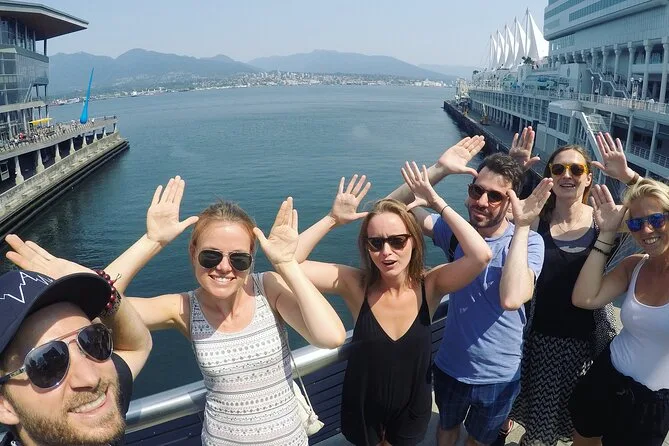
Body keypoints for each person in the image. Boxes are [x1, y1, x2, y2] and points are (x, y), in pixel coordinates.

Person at [103, 176, 346, 446]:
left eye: (239, 259)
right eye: (211, 256)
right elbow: (94, 304)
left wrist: (286, 264)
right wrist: (152, 241)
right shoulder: (182, 308)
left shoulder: (268, 289)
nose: (224, 267)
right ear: (192, 252)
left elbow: (331, 337)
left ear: (251, 259)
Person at [293, 166, 493, 445]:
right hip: (363, 407)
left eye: (397, 241)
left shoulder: (430, 284)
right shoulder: (356, 284)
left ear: (414, 242)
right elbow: (289, 262)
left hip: (412, 406)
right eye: (376, 243)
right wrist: (331, 220)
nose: (386, 252)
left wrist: (437, 202)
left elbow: (481, 256)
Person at [388, 139, 549, 446]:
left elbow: (511, 298)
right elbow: (389, 209)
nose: (482, 201)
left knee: (478, 440)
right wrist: (440, 169)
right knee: (446, 429)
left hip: (499, 374)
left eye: (495, 196)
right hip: (451, 365)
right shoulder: (454, 233)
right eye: (477, 190)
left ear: (511, 201)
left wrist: (523, 225)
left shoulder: (529, 242)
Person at [503, 129, 634, 446]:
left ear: (589, 178)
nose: (567, 175)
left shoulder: (605, 221)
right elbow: (490, 209)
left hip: (588, 343)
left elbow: (660, 214)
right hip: (539, 341)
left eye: (576, 169)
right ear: (548, 176)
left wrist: (629, 177)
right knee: (539, 425)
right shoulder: (534, 219)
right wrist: (512, 169)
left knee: (583, 425)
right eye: (558, 168)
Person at [0, 235, 152, 446]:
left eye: (93, 341)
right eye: (48, 363)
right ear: (4, 405)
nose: (91, 378)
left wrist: (108, 293)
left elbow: (136, 346)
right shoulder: (89, 410)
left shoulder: (97, 405)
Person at [570, 179, 669, 446]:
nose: (646, 230)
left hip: (651, 400)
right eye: (636, 224)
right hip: (607, 374)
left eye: (656, 219)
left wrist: (629, 176)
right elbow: (584, 298)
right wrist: (607, 233)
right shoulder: (633, 266)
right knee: (583, 439)